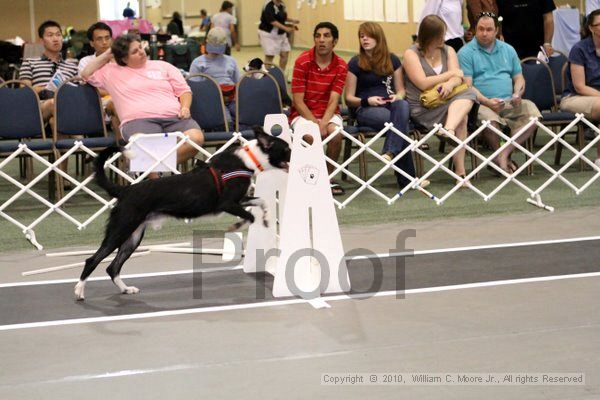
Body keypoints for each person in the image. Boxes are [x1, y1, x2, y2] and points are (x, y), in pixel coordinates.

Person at [81, 33, 204, 165]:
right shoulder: (110, 72)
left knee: (196, 138)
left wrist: (185, 107)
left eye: (140, 47)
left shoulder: (163, 66)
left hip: (175, 118)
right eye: (135, 51)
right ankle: (154, 174)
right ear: (124, 58)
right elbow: (86, 73)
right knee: (144, 145)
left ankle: (152, 167)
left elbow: (184, 90)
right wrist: (108, 53)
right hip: (137, 121)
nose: (141, 52)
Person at [345, 22, 428, 190]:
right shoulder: (355, 63)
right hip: (367, 109)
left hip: (392, 107)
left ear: (378, 38)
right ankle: (408, 178)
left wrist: (396, 97)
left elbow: (401, 90)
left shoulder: (392, 60)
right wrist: (367, 101)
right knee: (400, 125)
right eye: (361, 36)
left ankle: (390, 152)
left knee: (402, 105)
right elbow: (348, 98)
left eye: (368, 35)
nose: (364, 39)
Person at [459, 12, 541, 174]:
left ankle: (502, 155)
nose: (484, 33)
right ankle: (502, 158)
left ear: (496, 30)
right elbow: (467, 86)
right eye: (481, 29)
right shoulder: (465, 53)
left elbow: (519, 78)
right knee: (490, 122)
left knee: (533, 114)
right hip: (480, 103)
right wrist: (487, 102)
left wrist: (517, 93)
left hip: (509, 101)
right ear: (475, 29)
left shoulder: (508, 50)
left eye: (489, 29)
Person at [403, 15, 476, 184]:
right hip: (423, 106)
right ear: (429, 37)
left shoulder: (448, 50)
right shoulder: (411, 54)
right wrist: (450, 75)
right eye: (440, 35)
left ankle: (459, 167)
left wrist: (451, 84)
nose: (444, 38)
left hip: (445, 101)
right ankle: (460, 172)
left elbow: (458, 78)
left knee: (469, 95)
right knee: (462, 119)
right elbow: (422, 83)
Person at [290, 22, 347, 195]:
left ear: (334, 41)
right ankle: (308, 179)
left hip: (328, 113)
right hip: (302, 113)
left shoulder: (342, 65)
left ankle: (326, 179)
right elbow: (298, 101)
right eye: (318, 36)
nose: (321, 40)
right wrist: (314, 124)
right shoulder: (302, 61)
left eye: (326, 36)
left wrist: (323, 125)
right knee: (309, 136)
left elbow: (334, 100)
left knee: (336, 135)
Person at [559, 8, 600, 167]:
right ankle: (599, 158)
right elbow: (580, 86)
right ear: (591, 28)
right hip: (574, 97)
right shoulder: (579, 49)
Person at [19, 20, 78, 122]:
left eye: (58, 35)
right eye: (50, 35)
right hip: (39, 108)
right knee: (53, 103)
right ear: (41, 41)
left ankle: (73, 137)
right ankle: (79, 137)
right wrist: (46, 90)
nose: (55, 39)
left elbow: (77, 92)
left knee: (54, 121)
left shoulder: (71, 66)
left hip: (67, 105)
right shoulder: (29, 62)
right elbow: (24, 90)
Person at [189, 27, 241, 126]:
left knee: (244, 116)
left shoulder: (231, 61)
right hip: (212, 100)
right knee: (227, 121)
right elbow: (195, 90)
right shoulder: (198, 63)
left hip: (231, 99)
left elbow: (239, 83)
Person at [78, 22, 121, 137]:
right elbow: (89, 89)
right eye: (99, 39)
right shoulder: (86, 62)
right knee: (115, 105)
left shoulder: (122, 60)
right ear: (92, 43)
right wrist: (114, 92)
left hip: (120, 103)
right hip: (96, 105)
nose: (104, 42)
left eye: (107, 38)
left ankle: (124, 152)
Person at [258, 0, 299, 71]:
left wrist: (292, 20)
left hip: (281, 34)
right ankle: (266, 76)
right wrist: (286, 28)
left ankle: (281, 75)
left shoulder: (282, 5)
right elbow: (272, 21)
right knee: (270, 56)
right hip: (268, 34)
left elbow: (282, 17)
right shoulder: (268, 5)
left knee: (285, 54)